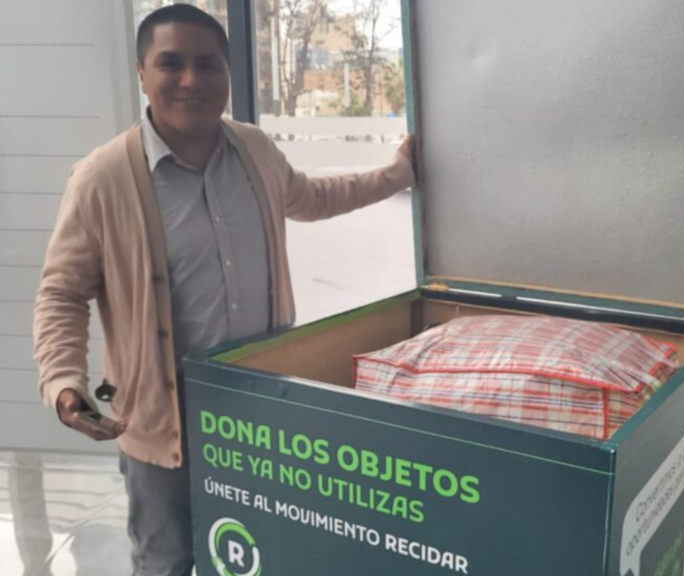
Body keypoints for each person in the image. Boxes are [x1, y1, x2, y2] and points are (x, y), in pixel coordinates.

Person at [33, 5, 415, 576]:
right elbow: (62, 293)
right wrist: (63, 382)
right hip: (164, 423)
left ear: (228, 73)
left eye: (208, 64)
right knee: (166, 560)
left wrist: (396, 175)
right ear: (142, 73)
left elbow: (312, 197)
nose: (192, 80)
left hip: (257, 412)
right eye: (171, 63)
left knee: (261, 548)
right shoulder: (102, 178)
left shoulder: (254, 149)